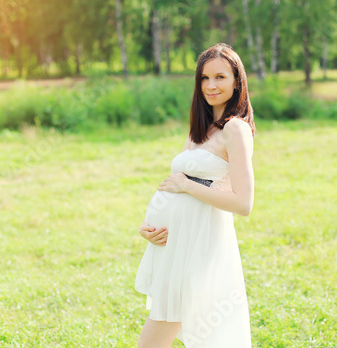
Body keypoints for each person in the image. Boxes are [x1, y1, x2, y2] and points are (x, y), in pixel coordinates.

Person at [135, 42, 256, 348]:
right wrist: (150, 226)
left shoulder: (235, 130)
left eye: (220, 77)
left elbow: (243, 203)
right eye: (204, 78)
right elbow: (178, 182)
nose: (211, 85)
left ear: (236, 81)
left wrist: (189, 187)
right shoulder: (199, 129)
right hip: (175, 245)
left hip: (201, 246)